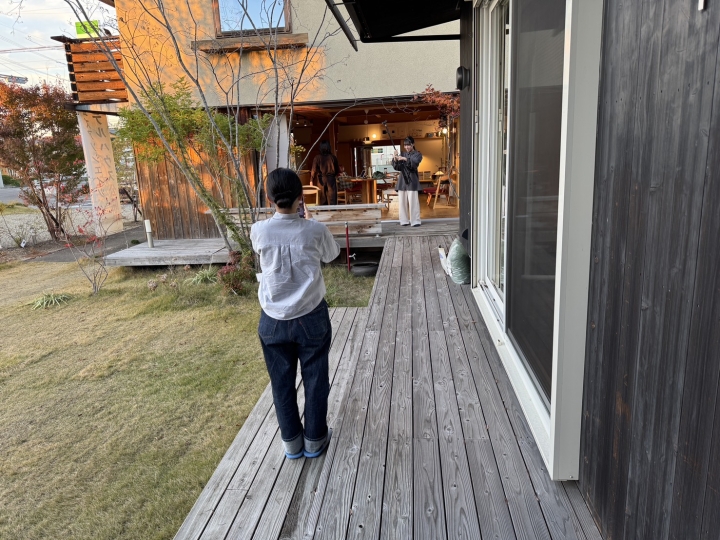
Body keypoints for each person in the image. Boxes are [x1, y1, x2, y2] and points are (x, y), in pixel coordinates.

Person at [250, 168, 340, 459]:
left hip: (272, 320)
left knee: (281, 383)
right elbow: (332, 255)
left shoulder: (259, 230)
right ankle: (315, 440)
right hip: (311, 315)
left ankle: (291, 443)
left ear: (269, 198)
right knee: (315, 379)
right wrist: (310, 221)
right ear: (301, 197)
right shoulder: (314, 229)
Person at [392, 136, 423, 226]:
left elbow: (414, 163)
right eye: (405, 145)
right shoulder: (402, 153)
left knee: (413, 202)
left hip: (412, 180)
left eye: (408, 145)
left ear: (413, 144)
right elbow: (397, 167)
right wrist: (395, 157)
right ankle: (404, 220)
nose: (406, 147)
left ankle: (415, 221)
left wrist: (404, 159)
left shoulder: (418, 154)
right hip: (402, 180)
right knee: (402, 202)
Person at [311, 140, 340, 205]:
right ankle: (333, 211)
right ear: (329, 147)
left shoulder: (317, 158)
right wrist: (333, 175)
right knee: (332, 199)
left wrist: (311, 180)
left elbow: (313, 170)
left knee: (322, 199)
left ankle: (324, 211)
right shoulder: (333, 157)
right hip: (331, 179)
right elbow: (337, 170)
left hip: (321, 180)